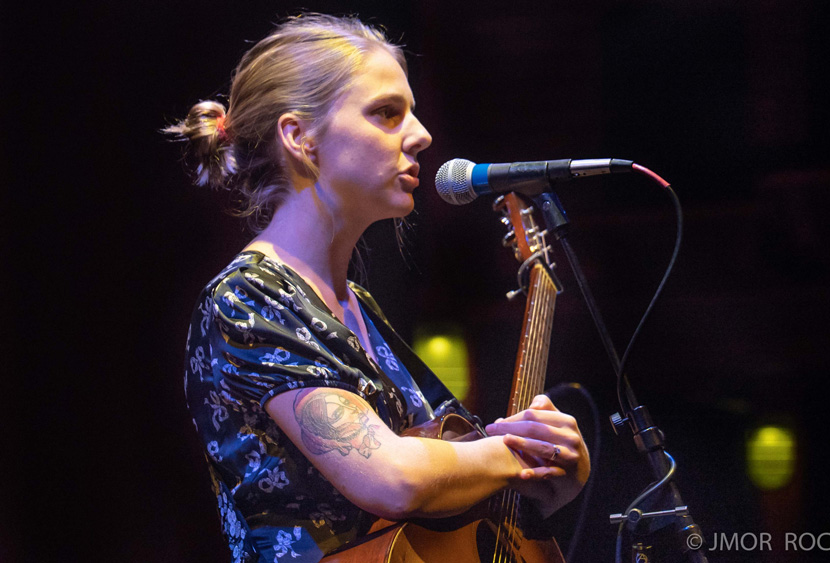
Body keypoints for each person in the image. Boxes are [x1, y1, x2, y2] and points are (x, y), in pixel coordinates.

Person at [167, 14, 589, 563]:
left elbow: (441, 482)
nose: (422, 135)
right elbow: (392, 478)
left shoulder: (355, 306)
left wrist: (549, 472)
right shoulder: (247, 300)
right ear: (299, 138)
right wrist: (517, 454)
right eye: (387, 113)